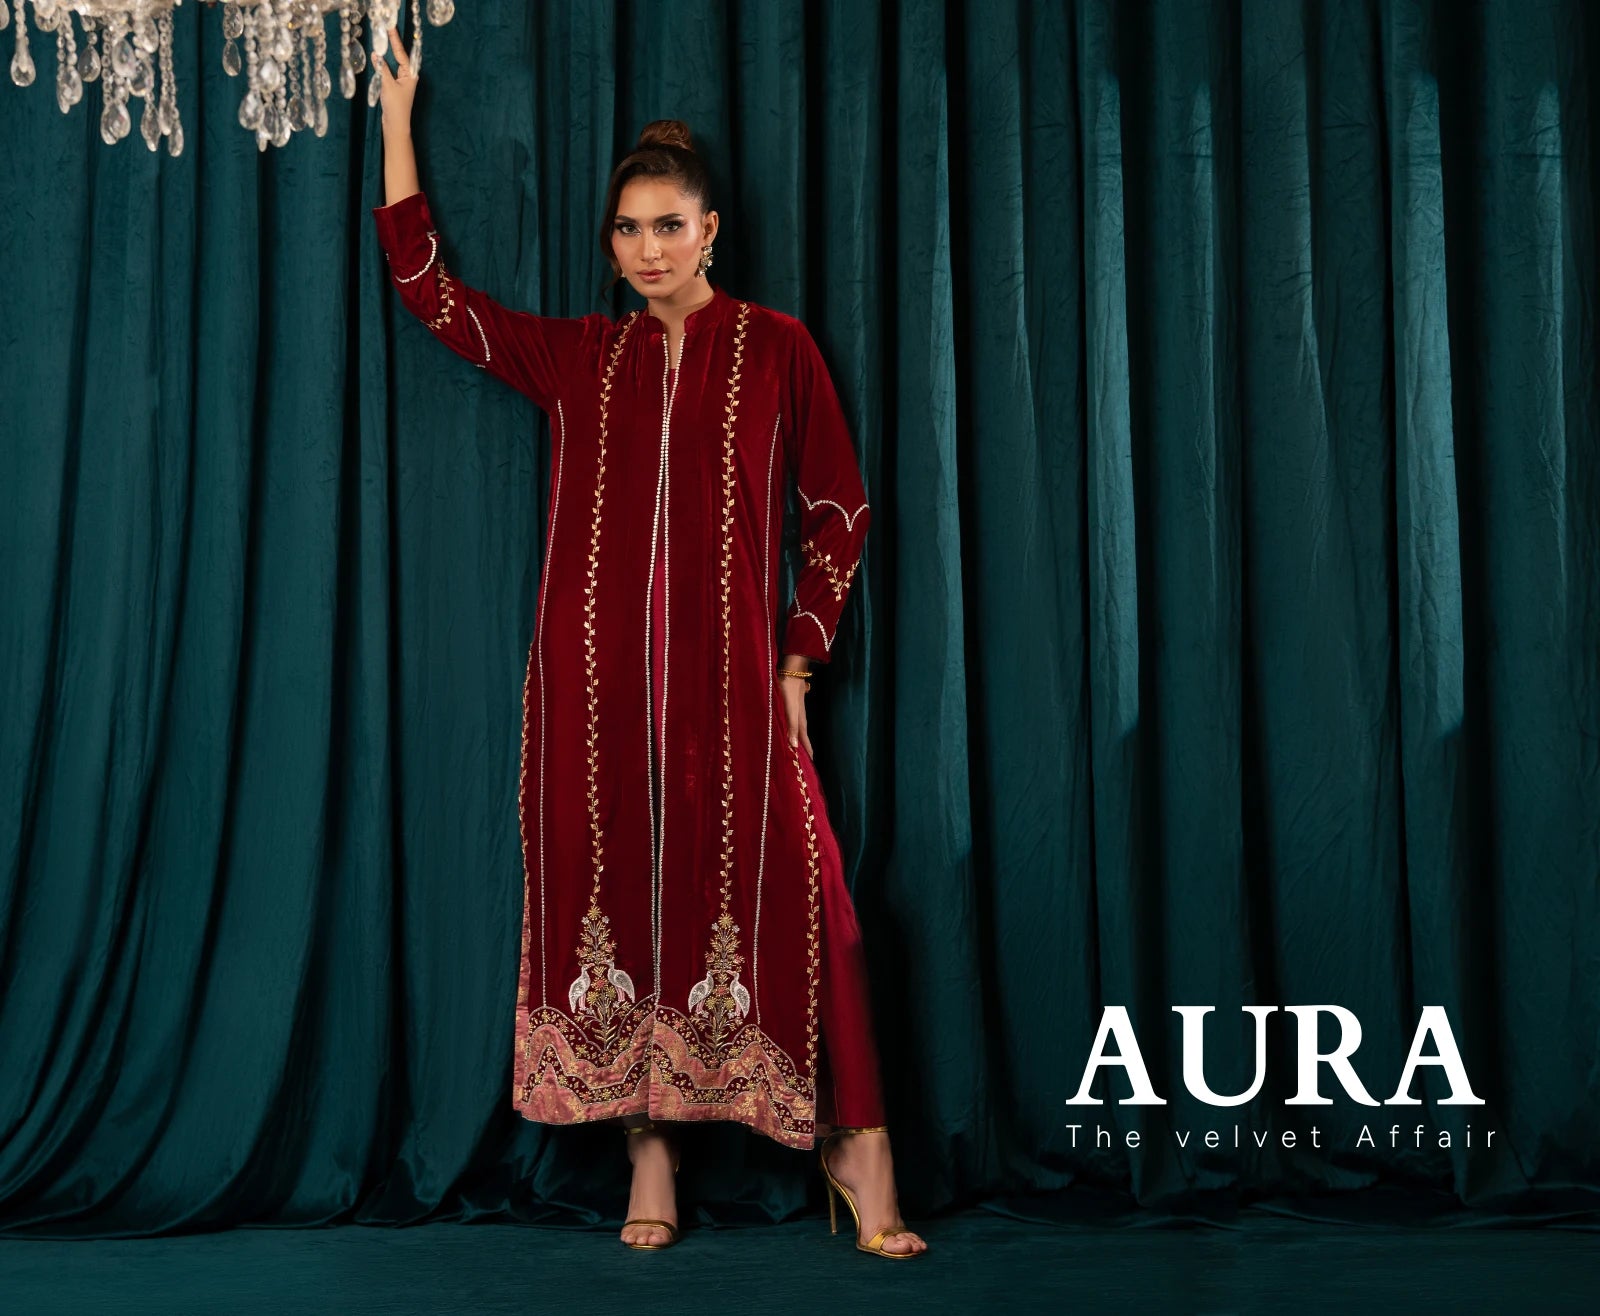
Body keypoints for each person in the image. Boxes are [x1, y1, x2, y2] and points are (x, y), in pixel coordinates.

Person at [370, 28, 927, 1260]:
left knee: (817, 899)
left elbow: (838, 507)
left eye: (669, 226)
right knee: (614, 893)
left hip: (735, 685)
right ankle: (651, 1149)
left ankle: (856, 1144)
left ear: (710, 229)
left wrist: (799, 655)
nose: (647, 250)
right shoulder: (583, 355)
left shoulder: (776, 348)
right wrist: (398, 119)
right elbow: (429, 293)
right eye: (627, 230)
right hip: (594, 690)